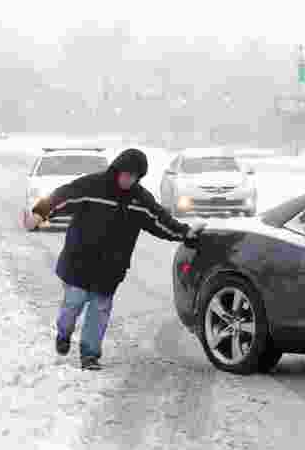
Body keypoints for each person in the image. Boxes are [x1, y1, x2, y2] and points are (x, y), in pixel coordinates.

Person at [26, 148, 201, 370]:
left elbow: (161, 221)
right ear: (117, 170)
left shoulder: (140, 200)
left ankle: (90, 355)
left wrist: (185, 233)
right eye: (126, 174)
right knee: (73, 303)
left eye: (134, 176)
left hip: (111, 267)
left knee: (99, 311)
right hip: (79, 261)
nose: (129, 179)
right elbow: (61, 197)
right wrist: (39, 213)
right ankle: (64, 333)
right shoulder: (92, 186)